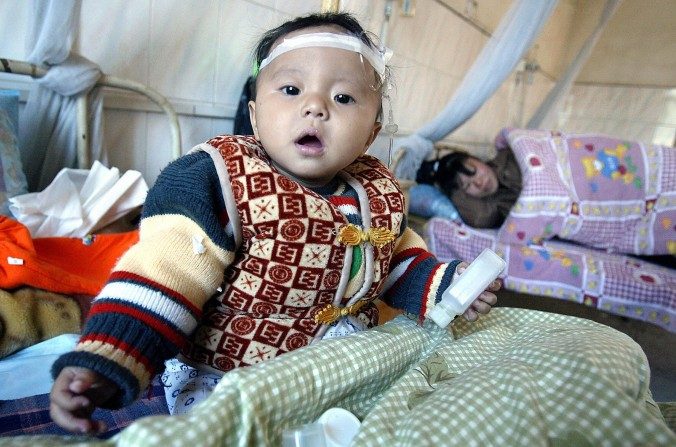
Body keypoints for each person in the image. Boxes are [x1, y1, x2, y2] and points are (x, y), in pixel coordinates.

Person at [49, 12, 500, 434]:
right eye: (291, 90)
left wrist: (447, 286)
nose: (316, 108)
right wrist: (107, 357)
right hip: (232, 375)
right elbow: (165, 273)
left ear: (371, 131)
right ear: (254, 114)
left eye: (343, 97)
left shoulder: (377, 191)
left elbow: (396, 259)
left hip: (346, 365)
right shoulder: (216, 180)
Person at [416, 147, 522, 228]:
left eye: (474, 171)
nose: (479, 182)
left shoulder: (510, 157)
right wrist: (452, 191)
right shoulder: (493, 206)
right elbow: (480, 217)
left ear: (476, 159)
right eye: (468, 185)